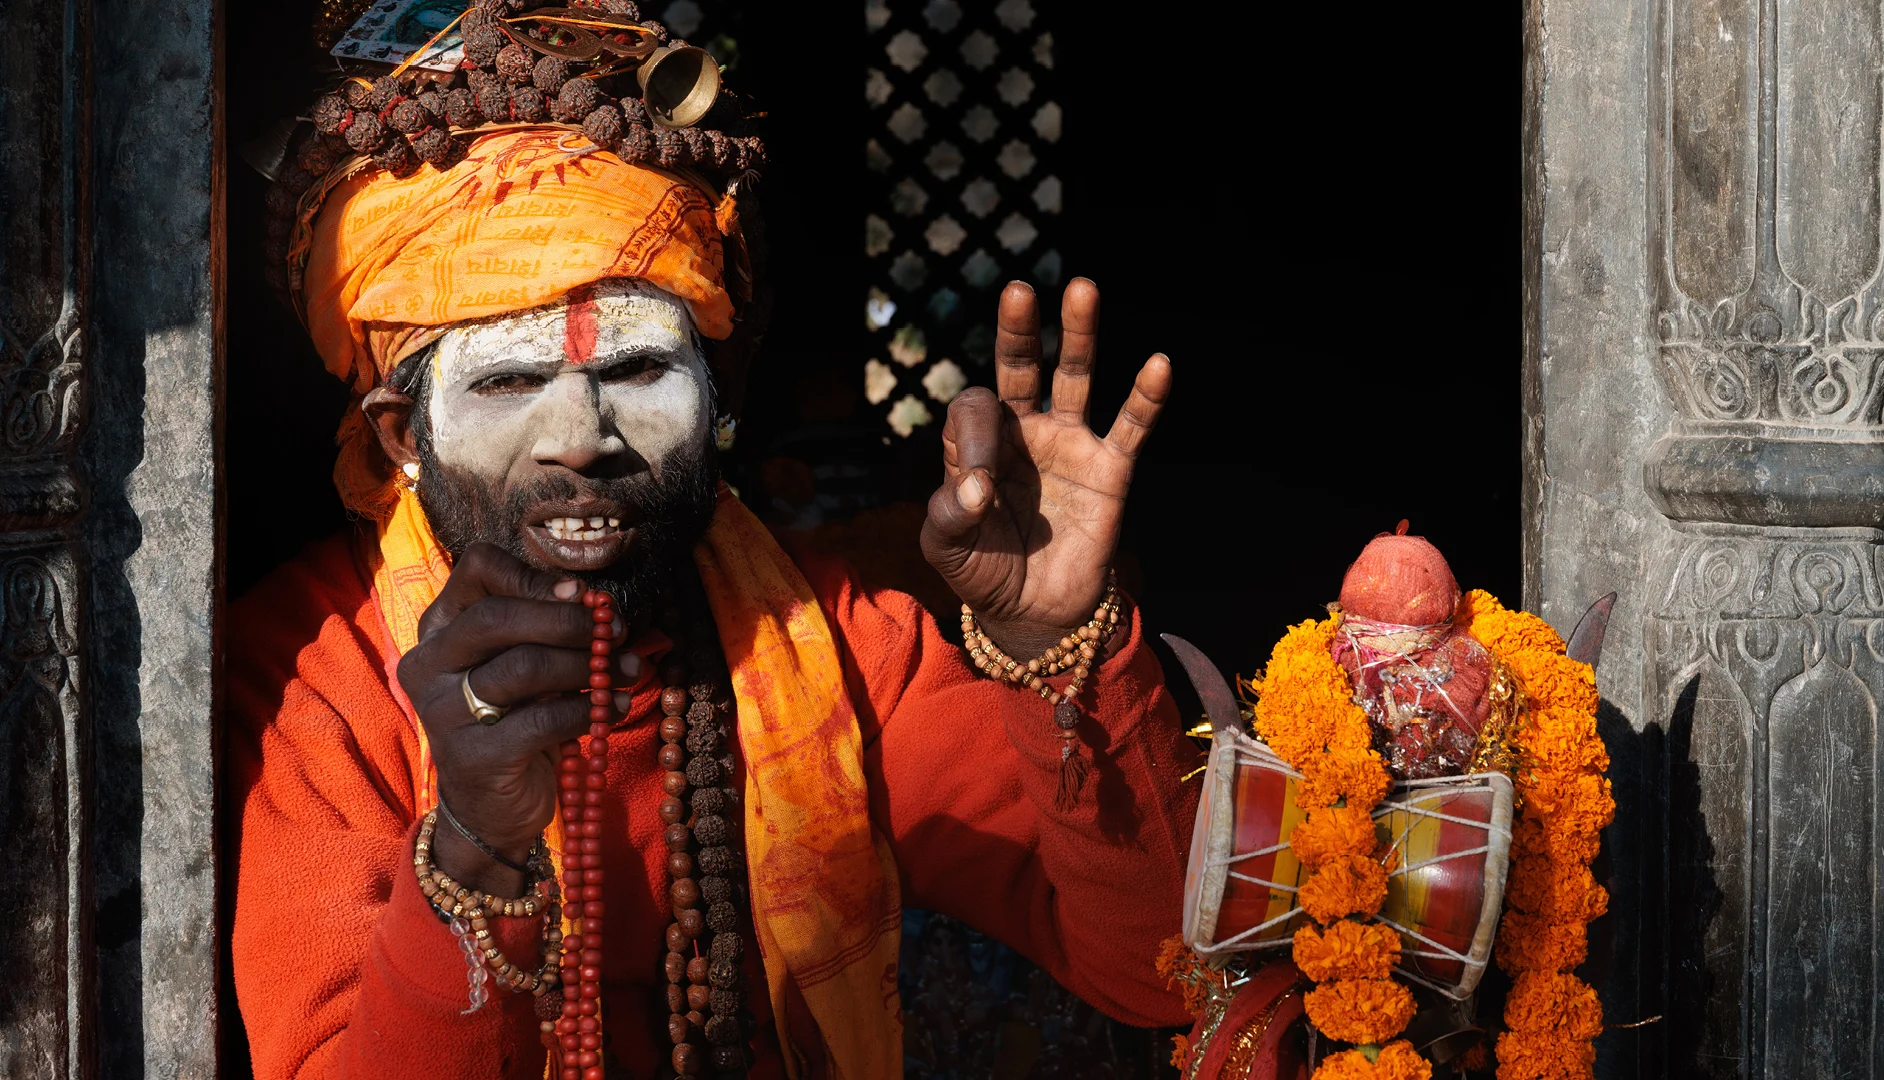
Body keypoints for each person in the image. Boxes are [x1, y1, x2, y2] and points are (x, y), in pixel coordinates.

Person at [230, 13, 1197, 1079]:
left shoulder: (831, 639)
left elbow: (1164, 972)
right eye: (508, 382)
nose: (582, 441)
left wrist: (1062, 642)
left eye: (638, 372)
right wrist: (472, 842)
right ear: (403, 437)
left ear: (716, 399)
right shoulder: (310, 682)